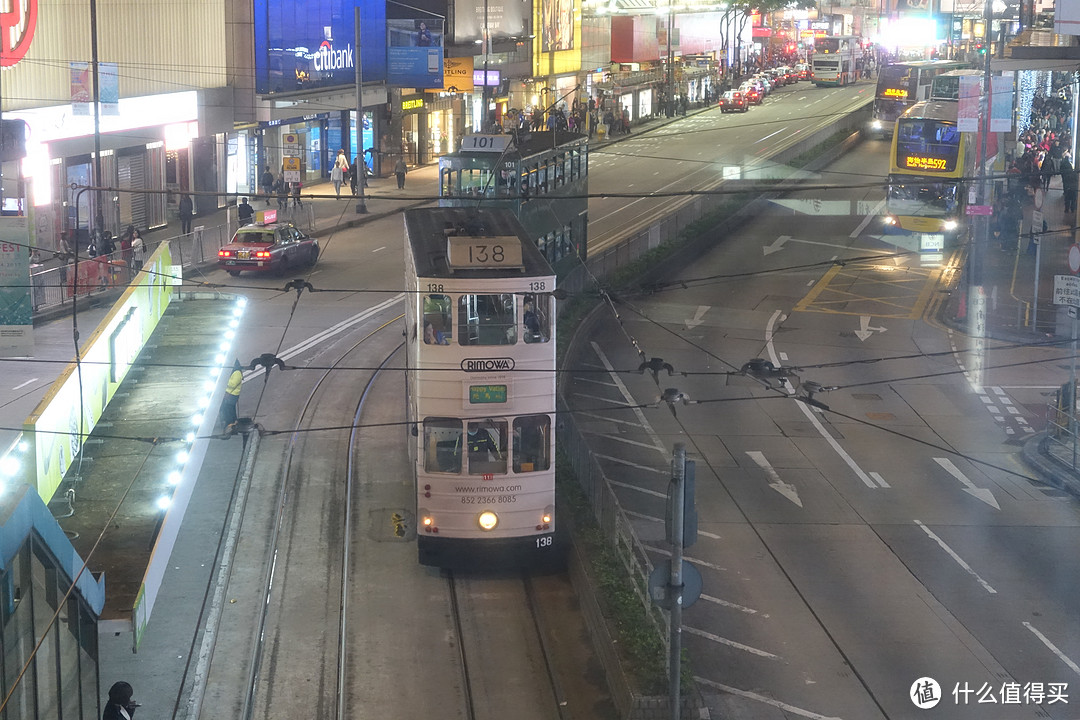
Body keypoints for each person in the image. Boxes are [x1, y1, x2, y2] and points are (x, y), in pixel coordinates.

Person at [221, 359, 243, 429]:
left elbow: (232, 384)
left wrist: (224, 380)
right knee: (230, 408)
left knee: (228, 409)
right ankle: (234, 422)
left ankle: (230, 423)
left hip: (232, 395)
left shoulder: (237, 372)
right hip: (229, 394)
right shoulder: (232, 371)